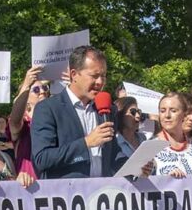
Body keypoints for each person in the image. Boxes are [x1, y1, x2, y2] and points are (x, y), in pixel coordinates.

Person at [31, 46, 126, 179]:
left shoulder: (107, 109)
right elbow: (42, 159)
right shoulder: (47, 109)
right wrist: (86, 143)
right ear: (74, 74)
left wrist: (135, 167)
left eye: (103, 76)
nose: (100, 82)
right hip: (67, 195)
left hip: (102, 194)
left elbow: (113, 154)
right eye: (94, 76)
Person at [153, 92, 192, 177]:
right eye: (162, 111)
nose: (167, 115)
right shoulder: (150, 146)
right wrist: (167, 179)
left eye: (173, 111)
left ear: (184, 114)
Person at [9, 66, 51, 178]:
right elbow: (14, 121)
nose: (42, 92)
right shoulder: (24, 123)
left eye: (45, 88)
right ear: (26, 100)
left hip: (52, 180)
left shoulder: (53, 119)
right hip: (29, 182)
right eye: (36, 90)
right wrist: (26, 84)